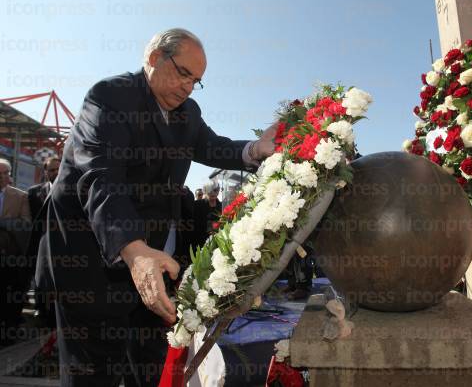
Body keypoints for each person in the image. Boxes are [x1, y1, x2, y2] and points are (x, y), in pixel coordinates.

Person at [35, 28, 276, 387]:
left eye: (197, 81)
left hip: (153, 262)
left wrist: (256, 149)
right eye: (183, 73)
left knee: (149, 366)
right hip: (92, 261)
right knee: (94, 371)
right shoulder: (110, 97)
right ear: (154, 58)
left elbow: (213, 146)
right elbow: (101, 177)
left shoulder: (187, 112)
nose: (189, 87)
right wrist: (133, 250)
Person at [0, 158, 31, 345]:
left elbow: (26, 224)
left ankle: (8, 336)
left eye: (6, 173)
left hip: (10, 261)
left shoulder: (20, 197)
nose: (3, 177)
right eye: (0, 174)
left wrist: (5, 223)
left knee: (8, 300)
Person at [27, 156, 61, 325]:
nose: (56, 172)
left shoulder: (73, 190)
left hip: (63, 248)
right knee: (40, 280)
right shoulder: (33, 193)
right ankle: (42, 316)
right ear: (45, 172)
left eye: (58, 169)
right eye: (52, 170)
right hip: (41, 245)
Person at [193, 181, 222, 247]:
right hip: (200, 244)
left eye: (215, 190)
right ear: (205, 191)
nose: (212, 193)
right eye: (209, 190)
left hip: (218, 243)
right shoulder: (197, 205)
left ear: (218, 190)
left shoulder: (222, 206)